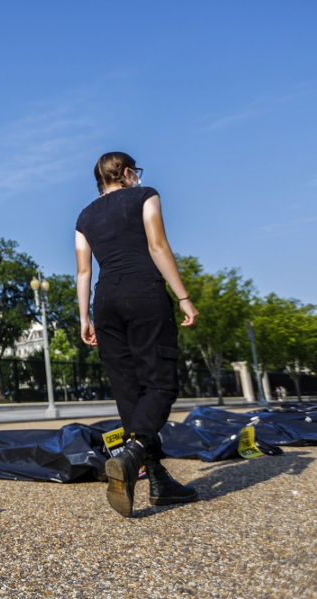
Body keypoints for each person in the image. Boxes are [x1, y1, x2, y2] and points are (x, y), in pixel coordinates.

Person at [75, 151, 200, 517]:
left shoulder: (84, 216)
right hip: (142, 290)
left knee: (128, 390)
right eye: (135, 172)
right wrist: (183, 297)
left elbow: (83, 272)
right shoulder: (145, 195)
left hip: (105, 299)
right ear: (127, 173)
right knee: (160, 382)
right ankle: (134, 452)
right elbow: (157, 246)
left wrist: (84, 316)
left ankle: (158, 479)